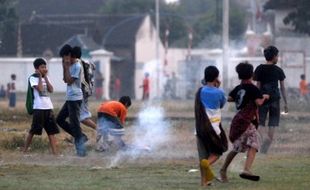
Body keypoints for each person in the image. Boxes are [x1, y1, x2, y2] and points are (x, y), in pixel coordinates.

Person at [218, 62, 269, 182]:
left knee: (237, 148)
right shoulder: (253, 88)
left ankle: (223, 170)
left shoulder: (238, 88)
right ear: (252, 74)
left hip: (239, 120)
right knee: (255, 143)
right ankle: (246, 169)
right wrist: (265, 97)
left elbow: (229, 98)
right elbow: (259, 103)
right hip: (247, 121)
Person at [194, 65, 228, 186]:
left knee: (203, 157)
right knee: (216, 153)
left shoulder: (200, 91)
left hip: (199, 129)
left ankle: (204, 182)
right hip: (213, 128)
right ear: (216, 78)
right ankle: (207, 165)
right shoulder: (219, 92)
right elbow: (222, 104)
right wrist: (218, 87)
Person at [253, 45, 288, 154]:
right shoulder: (278, 70)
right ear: (273, 57)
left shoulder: (259, 69)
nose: (278, 58)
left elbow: (257, 86)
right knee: (272, 126)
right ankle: (264, 150)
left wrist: (255, 100)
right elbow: (282, 88)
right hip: (275, 101)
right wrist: (286, 102)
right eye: (277, 56)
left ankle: (258, 149)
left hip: (261, 101)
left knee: (261, 124)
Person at [23, 58, 59, 155]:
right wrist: (39, 76)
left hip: (48, 108)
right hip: (38, 108)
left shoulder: (46, 77)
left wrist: (45, 77)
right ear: (36, 68)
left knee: (51, 132)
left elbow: (51, 90)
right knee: (33, 131)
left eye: (45, 67)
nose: (44, 69)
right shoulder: (33, 78)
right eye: (42, 67)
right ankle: (24, 151)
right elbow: (39, 89)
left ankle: (55, 153)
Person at [56, 45, 86, 157]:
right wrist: (65, 67)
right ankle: (81, 137)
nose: (65, 59)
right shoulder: (70, 65)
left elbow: (69, 81)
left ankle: (81, 151)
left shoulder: (77, 66)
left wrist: (67, 67)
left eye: (66, 57)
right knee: (59, 119)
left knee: (75, 124)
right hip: (70, 98)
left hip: (75, 98)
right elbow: (65, 79)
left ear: (72, 56)